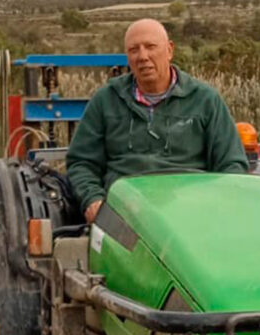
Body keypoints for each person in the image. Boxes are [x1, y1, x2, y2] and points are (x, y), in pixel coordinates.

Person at [66, 18, 249, 223]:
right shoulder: (106, 100)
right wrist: (93, 200)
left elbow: (232, 164)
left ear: (170, 50)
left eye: (150, 46)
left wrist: (216, 204)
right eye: (134, 50)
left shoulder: (205, 100)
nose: (143, 56)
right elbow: (81, 162)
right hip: (123, 215)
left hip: (191, 212)